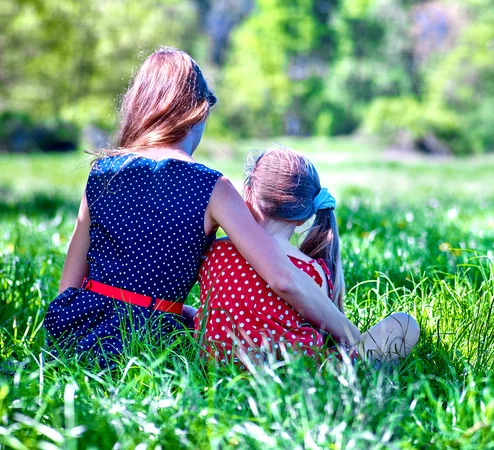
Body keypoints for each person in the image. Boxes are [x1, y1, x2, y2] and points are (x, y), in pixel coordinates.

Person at [43, 47, 357, 366]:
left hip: (75, 333)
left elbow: (68, 286)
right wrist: (349, 334)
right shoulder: (211, 187)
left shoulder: (103, 172)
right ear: (200, 111)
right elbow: (283, 279)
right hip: (146, 344)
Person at [194, 147, 420, 367]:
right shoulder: (311, 270)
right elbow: (327, 333)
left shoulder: (215, 251)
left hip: (216, 365)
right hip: (294, 373)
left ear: (248, 194)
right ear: (303, 216)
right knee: (404, 324)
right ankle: (362, 378)